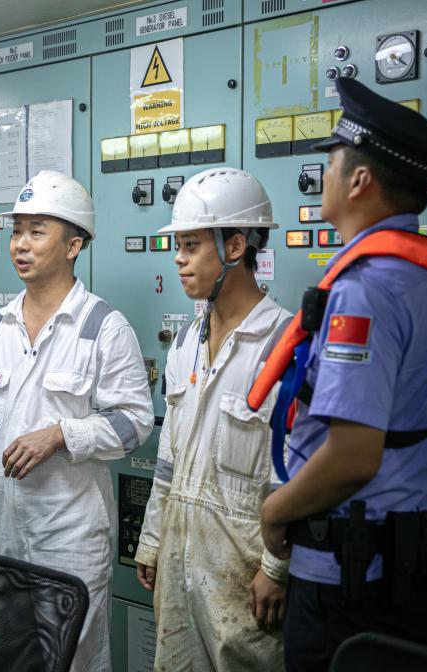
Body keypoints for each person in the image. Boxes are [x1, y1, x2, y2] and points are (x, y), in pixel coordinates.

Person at [248, 77, 427, 672]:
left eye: (331, 162)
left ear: (359, 181)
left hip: (349, 581)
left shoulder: (366, 290)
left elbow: (353, 457)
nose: (322, 174)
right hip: (401, 569)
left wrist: (274, 513)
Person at [0, 170, 154, 671]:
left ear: (74, 245)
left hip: (70, 535)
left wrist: (60, 435)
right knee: (12, 657)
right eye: (16, 232)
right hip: (5, 530)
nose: (20, 245)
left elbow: (134, 423)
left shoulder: (102, 327)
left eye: (36, 231)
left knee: (71, 660)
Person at [133, 168, 289, 671]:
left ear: (236, 246)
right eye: (177, 246)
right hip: (180, 554)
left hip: (243, 566)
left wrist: (276, 567)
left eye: (191, 245)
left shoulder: (283, 347)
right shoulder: (185, 342)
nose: (178, 258)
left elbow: (293, 475)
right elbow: (168, 458)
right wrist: (153, 539)